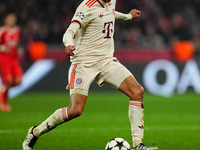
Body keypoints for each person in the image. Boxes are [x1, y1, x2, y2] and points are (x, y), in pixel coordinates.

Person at [23, 0, 158, 149]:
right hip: (84, 63)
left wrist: (127, 17)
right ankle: (35, 132)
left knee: (137, 91)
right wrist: (68, 44)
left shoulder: (110, 1)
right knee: (75, 110)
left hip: (106, 61)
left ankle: (137, 144)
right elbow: (69, 31)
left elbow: (110, 13)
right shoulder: (86, 7)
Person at [0, 13, 23, 112]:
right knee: (8, 81)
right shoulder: (2, 31)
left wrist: (19, 49)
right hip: (4, 58)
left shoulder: (17, 31)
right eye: (10, 19)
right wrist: (3, 48)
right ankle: (2, 103)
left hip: (14, 59)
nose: (12, 21)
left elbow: (16, 44)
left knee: (18, 80)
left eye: (13, 19)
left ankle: (2, 89)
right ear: (6, 20)